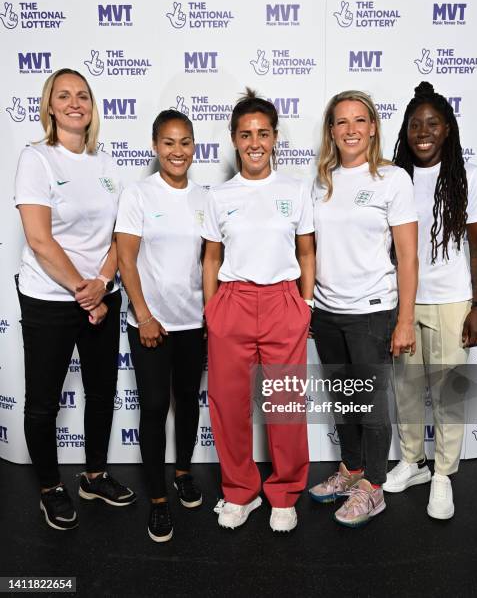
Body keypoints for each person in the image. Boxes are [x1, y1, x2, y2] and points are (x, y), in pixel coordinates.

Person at [14, 68, 136, 531]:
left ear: (92, 106)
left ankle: (95, 474)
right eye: (63, 95)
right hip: (49, 298)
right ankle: (49, 487)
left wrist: (103, 282)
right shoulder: (36, 159)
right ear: (49, 106)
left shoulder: (105, 166)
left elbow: (118, 239)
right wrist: (86, 294)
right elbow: (40, 240)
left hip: (103, 296)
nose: (74, 102)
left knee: (102, 392)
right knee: (43, 402)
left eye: (82, 95)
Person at [202, 89, 315, 532]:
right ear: (233, 138)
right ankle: (240, 492)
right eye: (246, 134)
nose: (254, 142)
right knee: (229, 406)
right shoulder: (219, 195)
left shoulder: (295, 189)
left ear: (275, 138)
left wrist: (303, 305)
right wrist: (213, 310)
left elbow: (307, 253)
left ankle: (284, 493)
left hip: (283, 302)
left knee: (285, 404)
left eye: (263, 133)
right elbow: (211, 258)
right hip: (232, 301)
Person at [308, 90, 418, 527]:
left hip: (373, 311)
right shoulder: (321, 179)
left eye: (359, 121)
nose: (350, 129)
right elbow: (310, 249)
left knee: (371, 407)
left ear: (373, 127)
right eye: (341, 122)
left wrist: (405, 319)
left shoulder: (392, 180)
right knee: (344, 403)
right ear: (331, 131)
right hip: (327, 311)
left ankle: (373, 487)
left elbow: (407, 256)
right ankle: (351, 471)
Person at [383, 81, 477, 519]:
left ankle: (443, 474)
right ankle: (413, 462)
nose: (423, 132)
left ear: (448, 128)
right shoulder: (394, 177)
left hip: (451, 302)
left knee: (448, 396)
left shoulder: (470, 177)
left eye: (432, 123)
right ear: (405, 131)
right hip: (403, 301)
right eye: (415, 124)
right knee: (406, 390)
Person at [115, 110, 205, 543]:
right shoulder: (138, 194)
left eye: (185, 142)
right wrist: (144, 315)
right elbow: (126, 258)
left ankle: (184, 473)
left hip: (193, 321)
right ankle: (156, 500)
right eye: (169, 142)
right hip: (151, 322)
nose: (177, 151)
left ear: (194, 146)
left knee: (187, 400)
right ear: (155, 146)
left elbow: (211, 261)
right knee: (153, 406)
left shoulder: (204, 197)